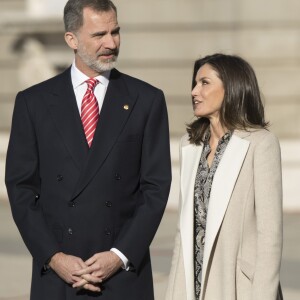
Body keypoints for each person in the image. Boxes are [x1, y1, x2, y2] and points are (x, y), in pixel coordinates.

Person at [5, 0, 171, 299]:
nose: (111, 43)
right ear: (72, 39)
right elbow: (21, 188)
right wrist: (54, 257)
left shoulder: (146, 100)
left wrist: (118, 255)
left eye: (115, 32)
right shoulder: (33, 103)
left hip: (122, 275)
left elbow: (156, 188)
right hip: (58, 276)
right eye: (99, 35)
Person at [165, 53, 283, 300]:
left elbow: (269, 235)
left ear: (231, 88)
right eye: (195, 83)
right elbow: (184, 230)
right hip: (192, 287)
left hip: (239, 288)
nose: (194, 91)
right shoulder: (190, 145)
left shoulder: (260, 144)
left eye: (204, 83)